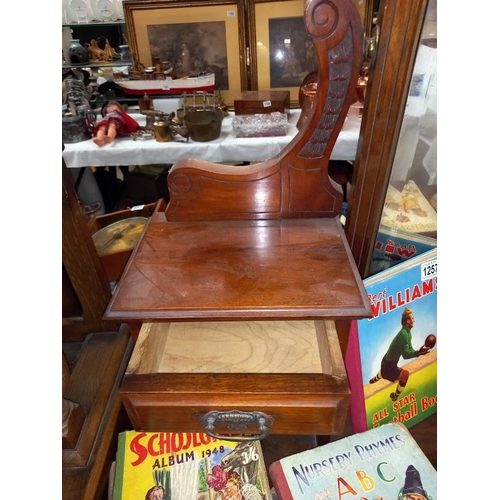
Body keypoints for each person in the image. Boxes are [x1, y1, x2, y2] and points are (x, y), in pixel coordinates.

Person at [369, 307, 430, 401]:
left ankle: (376, 378)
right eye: (412, 318)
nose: (414, 320)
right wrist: (419, 353)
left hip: (387, 361)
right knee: (405, 375)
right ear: (408, 321)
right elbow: (406, 355)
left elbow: (409, 349)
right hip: (388, 365)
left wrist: (419, 352)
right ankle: (395, 396)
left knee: (385, 371)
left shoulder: (407, 333)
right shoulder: (404, 334)